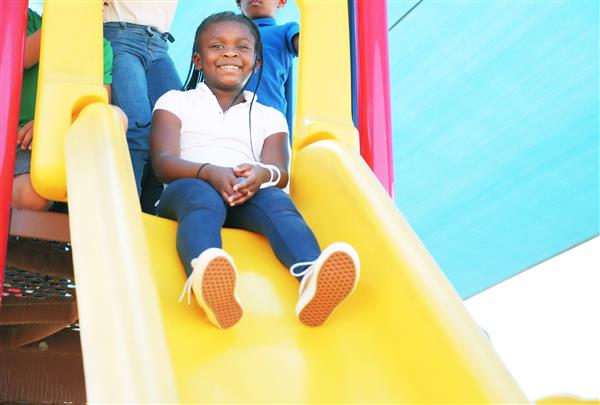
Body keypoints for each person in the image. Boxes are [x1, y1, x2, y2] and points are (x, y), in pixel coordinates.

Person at [150, 12, 359, 329]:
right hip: (187, 188)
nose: (230, 53)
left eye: (242, 47)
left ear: (257, 62)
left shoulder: (269, 116)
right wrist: (209, 172)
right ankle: (205, 277)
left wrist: (260, 176)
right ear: (197, 59)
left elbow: (280, 172)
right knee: (201, 197)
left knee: (277, 202)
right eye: (217, 45)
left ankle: (311, 275)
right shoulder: (176, 101)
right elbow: (163, 163)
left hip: (245, 192)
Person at [12, 8, 122, 211]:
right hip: (12, 134)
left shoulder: (101, 47)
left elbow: (97, 105)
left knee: (31, 197)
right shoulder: (26, 19)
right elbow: (21, 57)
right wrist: (67, 18)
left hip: (45, 145)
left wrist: (49, 125)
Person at [103, 0, 182, 213]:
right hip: (120, 35)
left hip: (160, 44)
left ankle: (153, 213)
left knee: (175, 132)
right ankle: (123, 213)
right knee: (136, 126)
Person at [236, 0, 298, 126]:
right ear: (239, 3)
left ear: (281, 2)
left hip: (268, 121)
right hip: (229, 119)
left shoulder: (287, 30)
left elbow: (311, 50)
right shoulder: (224, 32)